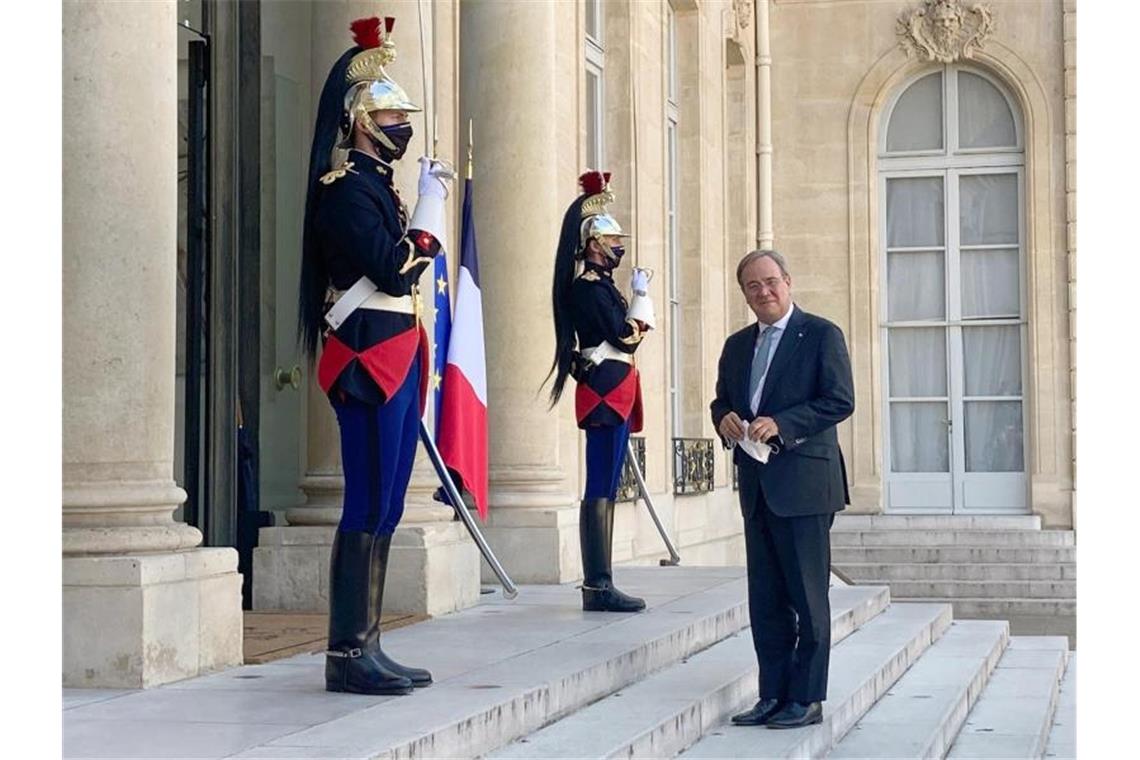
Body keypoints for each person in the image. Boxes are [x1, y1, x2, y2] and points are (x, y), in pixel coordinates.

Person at [298, 16, 453, 695]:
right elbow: (393, 269)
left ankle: (370, 642)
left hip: (394, 352)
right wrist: (427, 217)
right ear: (361, 120)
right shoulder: (346, 190)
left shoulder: (374, 186)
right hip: (367, 358)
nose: (400, 123)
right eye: (390, 113)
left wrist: (420, 217)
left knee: (389, 504)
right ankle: (345, 653)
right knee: (364, 503)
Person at [709, 249, 854, 729]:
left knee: (809, 598)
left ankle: (807, 698)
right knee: (766, 599)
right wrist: (723, 418)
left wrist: (783, 423)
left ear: (788, 282)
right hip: (756, 486)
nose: (764, 292)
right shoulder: (735, 346)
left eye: (771, 282)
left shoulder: (820, 335)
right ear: (744, 294)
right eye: (753, 286)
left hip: (806, 485)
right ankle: (772, 694)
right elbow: (722, 401)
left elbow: (839, 400)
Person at [545, 171, 655, 613]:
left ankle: (602, 581)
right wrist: (642, 303)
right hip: (606, 390)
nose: (617, 248)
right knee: (600, 487)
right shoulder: (587, 289)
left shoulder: (602, 287)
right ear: (593, 245)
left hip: (615, 386)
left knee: (608, 485)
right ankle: (598, 583)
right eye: (611, 242)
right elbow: (624, 335)